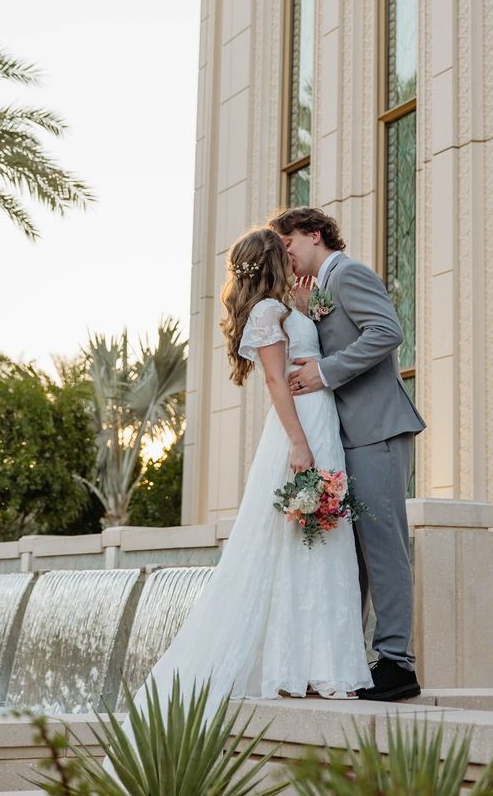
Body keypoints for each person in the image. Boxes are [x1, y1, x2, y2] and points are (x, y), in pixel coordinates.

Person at [113, 227, 371, 748]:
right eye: (285, 250)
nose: (293, 253)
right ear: (273, 259)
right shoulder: (266, 314)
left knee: (321, 542)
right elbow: (277, 382)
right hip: (300, 429)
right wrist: (299, 445)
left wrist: (303, 304)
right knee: (300, 542)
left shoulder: (283, 307)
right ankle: (301, 667)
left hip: (320, 424)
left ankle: (322, 665)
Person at [269, 207, 426, 702]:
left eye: (289, 241)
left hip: (378, 431)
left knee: (384, 547)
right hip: (349, 437)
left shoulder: (350, 272)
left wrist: (324, 371)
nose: (286, 252)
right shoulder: (318, 287)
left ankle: (397, 664)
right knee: (352, 553)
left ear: (315, 234)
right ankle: (349, 661)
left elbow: (387, 331)